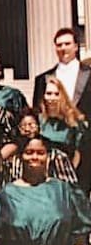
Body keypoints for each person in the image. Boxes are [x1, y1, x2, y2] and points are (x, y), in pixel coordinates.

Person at [32, 27, 91, 191]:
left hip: (85, 147)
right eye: (59, 45)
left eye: (67, 44)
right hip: (54, 150)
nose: (63, 48)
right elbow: (39, 112)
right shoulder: (42, 79)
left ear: (76, 46)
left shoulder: (89, 75)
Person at [3, 108, 78, 185]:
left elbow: (70, 187)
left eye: (31, 125)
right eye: (23, 126)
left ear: (38, 127)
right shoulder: (14, 158)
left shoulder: (56, 156)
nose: (27, 129)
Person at [37, 76, 85, 168]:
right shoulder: (38, 119)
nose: (52, 98)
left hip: (66, 170)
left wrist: (71, 172)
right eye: (49, 93)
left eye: (56, 94)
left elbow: (77, 152)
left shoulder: (73, 121)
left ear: (62, 95)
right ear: (43, 96)